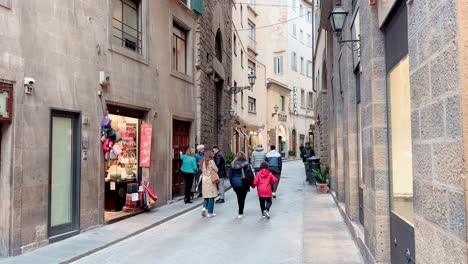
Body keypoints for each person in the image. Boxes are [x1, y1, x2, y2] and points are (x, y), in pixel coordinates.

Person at [229, 151, 254, 219]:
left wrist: (232, 183)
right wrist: (251, 182)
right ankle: (240, 213)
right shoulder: (246, 164)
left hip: (235, 183)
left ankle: (240, 212)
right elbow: (250, 174)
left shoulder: (232, 165)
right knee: (242, 198)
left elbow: (230, 175)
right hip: (244, 183)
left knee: (239, 197)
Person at [200, 151, 219, 218]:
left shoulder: (202, 161)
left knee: (206, 195)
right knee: (211, 196)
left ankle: (204, 208)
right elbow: (216, 170)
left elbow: (201, 170)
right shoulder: (211, 161)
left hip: (204, 180)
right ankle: (210, 213)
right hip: (210, 180)